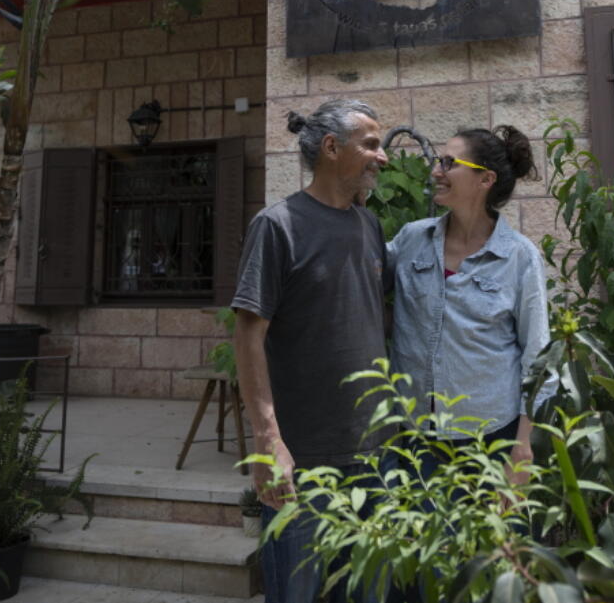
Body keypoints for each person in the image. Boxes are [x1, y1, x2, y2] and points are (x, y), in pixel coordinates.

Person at [231, 99, 391, 603]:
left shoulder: (370, 227)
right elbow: (248, 335)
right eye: (370, 144)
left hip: (373, 455)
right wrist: (267, 441)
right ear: (330, 148)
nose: (382, 157)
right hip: (302, 463)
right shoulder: (277, 226)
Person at [386, 125, 551, 487]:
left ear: (485, 179)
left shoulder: (519, 257)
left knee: (492, 545)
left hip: (492, 440)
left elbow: (538, 358)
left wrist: (522, 447)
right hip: (415, 437)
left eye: (449, 163)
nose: (435, 171)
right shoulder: (412, 240)